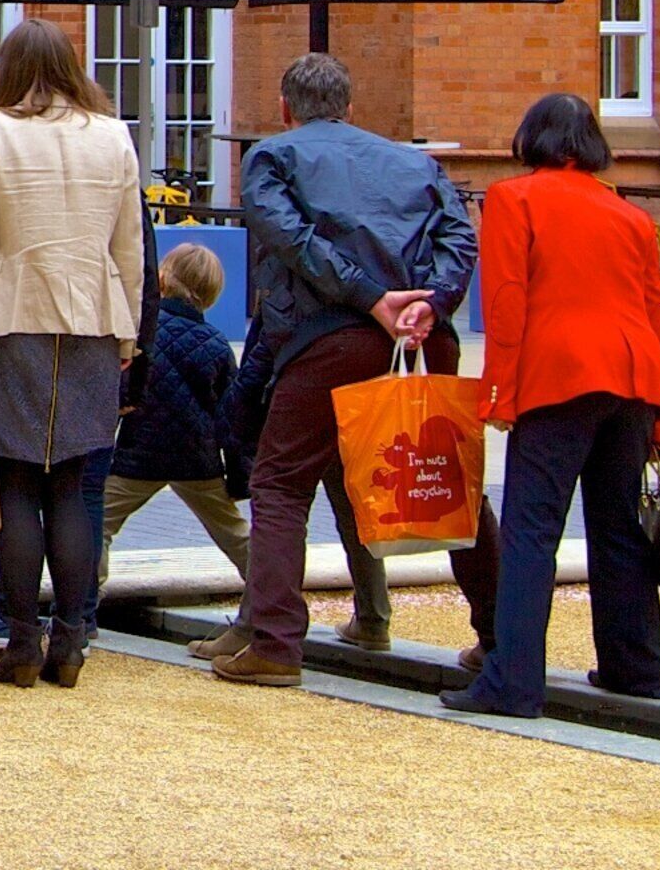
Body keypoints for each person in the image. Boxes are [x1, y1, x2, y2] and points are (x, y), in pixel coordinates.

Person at [210, 51, 502, 688]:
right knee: (455, 487)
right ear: (351, 106)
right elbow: (460, 237)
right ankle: (499, 636)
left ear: (285, 109)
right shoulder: (417, 162)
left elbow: (290, 239)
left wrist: (370, 296)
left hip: (327, 338)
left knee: (282, 483)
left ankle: (276, 641)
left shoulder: (273, 157)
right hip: (424, 339)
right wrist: (431, 302)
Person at [444, 93, 660, 716]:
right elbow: (654, 315)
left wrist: (499, 392)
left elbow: (506, 300)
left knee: (530, 533)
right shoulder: (629, 215)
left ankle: (514, 682)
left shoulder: (513, 199)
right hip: (630, 379)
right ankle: (635, 668)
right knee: (617, 528)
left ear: (532, 140)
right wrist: (658, 411)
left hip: (558, 378)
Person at [0, 18, 146, 688]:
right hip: (93, 317)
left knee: (15, 484)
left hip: (10, 318)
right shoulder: (113, 136)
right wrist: (130, 332)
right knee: (70, 484)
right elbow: (130, 249)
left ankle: (22, 641)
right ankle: (71, 640)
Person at [103, 245, 254, 581]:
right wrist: (240, 479)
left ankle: (84, 609)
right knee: (235, 534)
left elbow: (117, 394)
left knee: (97, 526)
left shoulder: (141, 333)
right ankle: (272, 602)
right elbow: (232, 419)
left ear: (164, 279)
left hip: (139, 456)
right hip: (198, 461)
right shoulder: (216, 344)